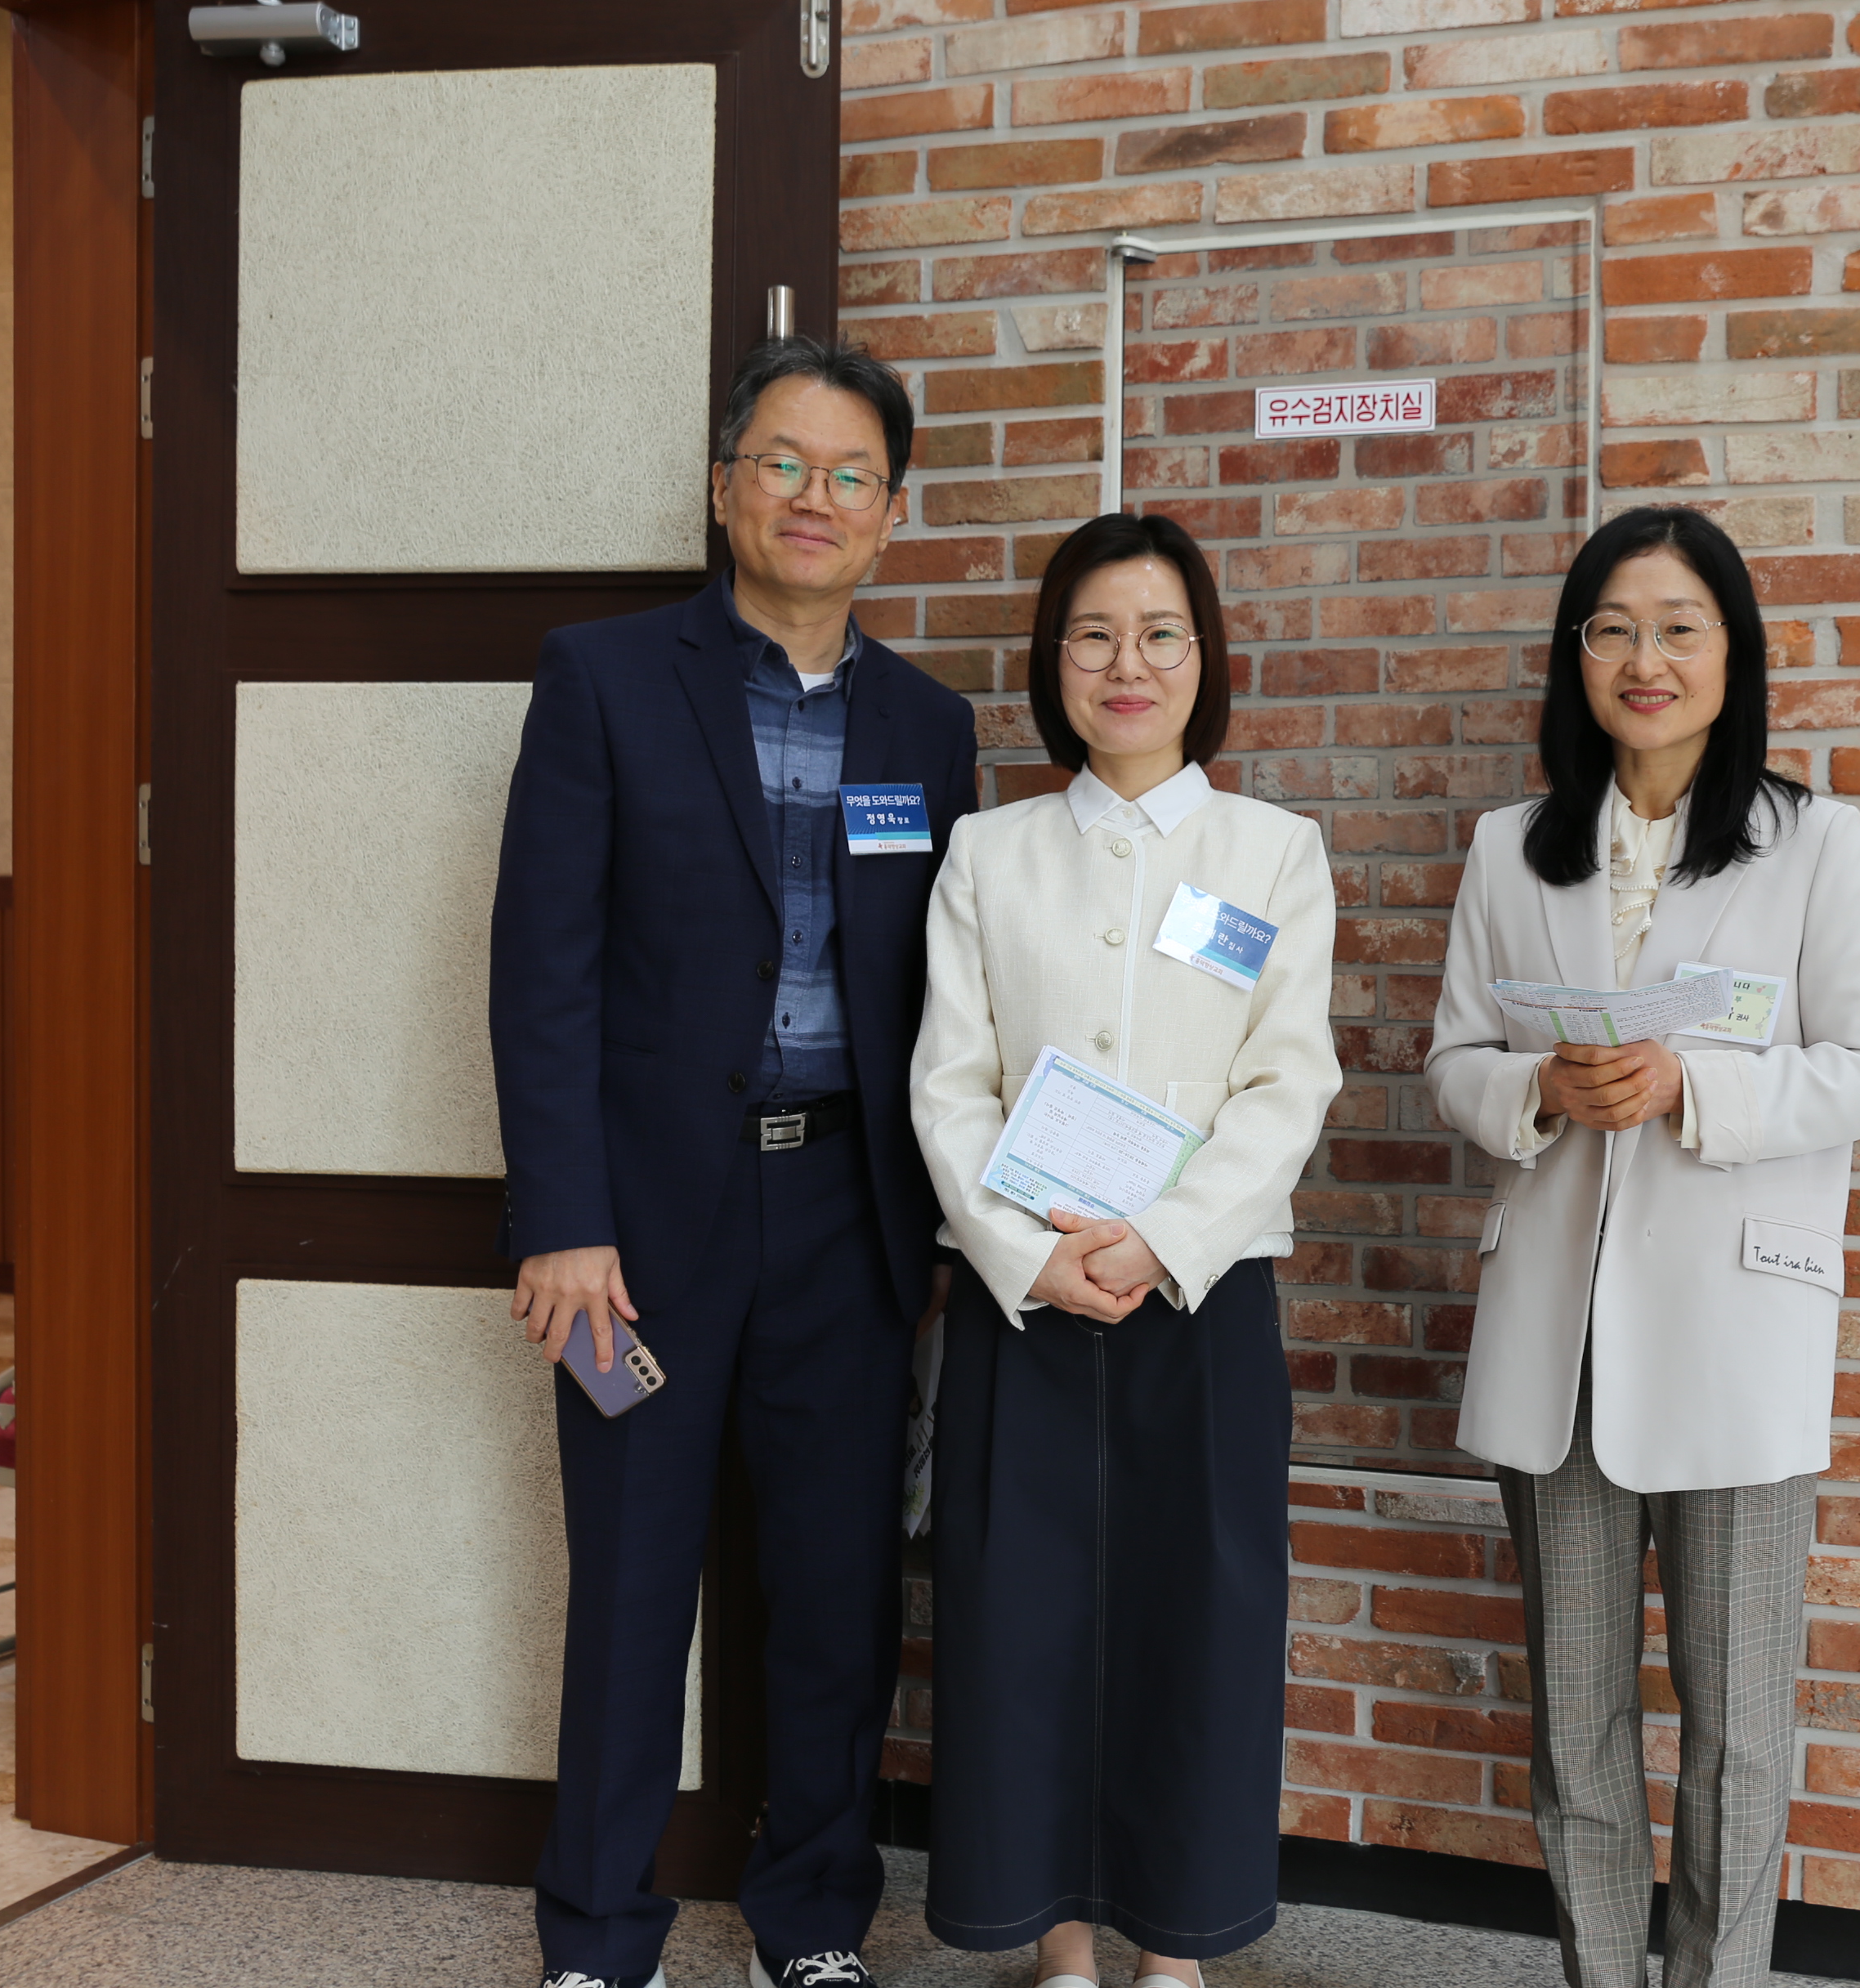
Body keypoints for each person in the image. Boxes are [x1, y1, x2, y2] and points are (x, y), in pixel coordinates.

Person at [490, 333, 978, 1988]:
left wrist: (938, 1231)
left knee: (838, 1594)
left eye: (852, 475)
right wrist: (562, 1218)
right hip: (639, 1232)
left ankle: (814, 1921)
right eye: (783, 462)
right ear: (723, 487)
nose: (813, 496)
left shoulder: (929, 726)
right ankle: (596, 1938)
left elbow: (945, 998)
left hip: (848, 1218)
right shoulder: (606, 679)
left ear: (892, 515)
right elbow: (542, 969)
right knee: (633, 1585)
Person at [1424, 506, 1860, 1988]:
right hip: (1558, 1344)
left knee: (1739, 1728)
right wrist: (1537, 1091)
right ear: (1577, 656)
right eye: (1615, 629)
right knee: (1575, 1723)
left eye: (1680, 628)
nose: (1647, 659)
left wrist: (1697, 1087)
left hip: (1735, 1341)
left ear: (1732, 653)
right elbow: (1454, 1061)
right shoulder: (1511, 847)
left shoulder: (1812, 842)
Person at [910, 511, 1340, 1988]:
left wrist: (1160, 1240)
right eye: (1093, 635)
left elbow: (1288, 1082)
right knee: (1018, 1620)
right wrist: (1024, 1256)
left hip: (1201, 1299)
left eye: (1160, 634)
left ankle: (1178, 1950)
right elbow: (948, 1082)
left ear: (1203, 659)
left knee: (1199, 1621)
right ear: (1056, 661)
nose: (1126, 664)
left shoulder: (1271, 854)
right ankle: (1062, 1943)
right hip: (1024, 1302)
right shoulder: (989, 854)